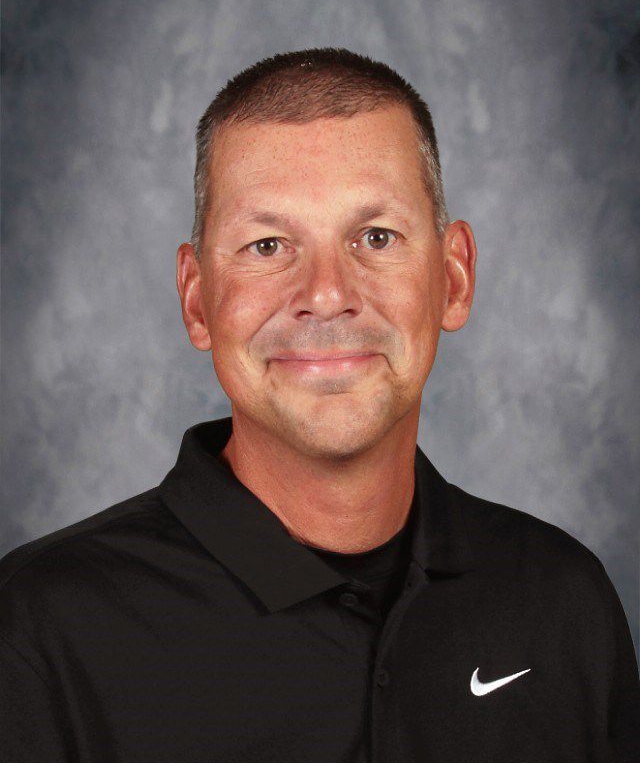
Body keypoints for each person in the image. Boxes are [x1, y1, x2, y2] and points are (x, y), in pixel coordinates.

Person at [1, 47, 638, 763]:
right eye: (267, 245)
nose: (328, 293)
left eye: (376, 237)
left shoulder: (562, 602)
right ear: (196, 298)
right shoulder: (37, 633)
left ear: (454, 278)